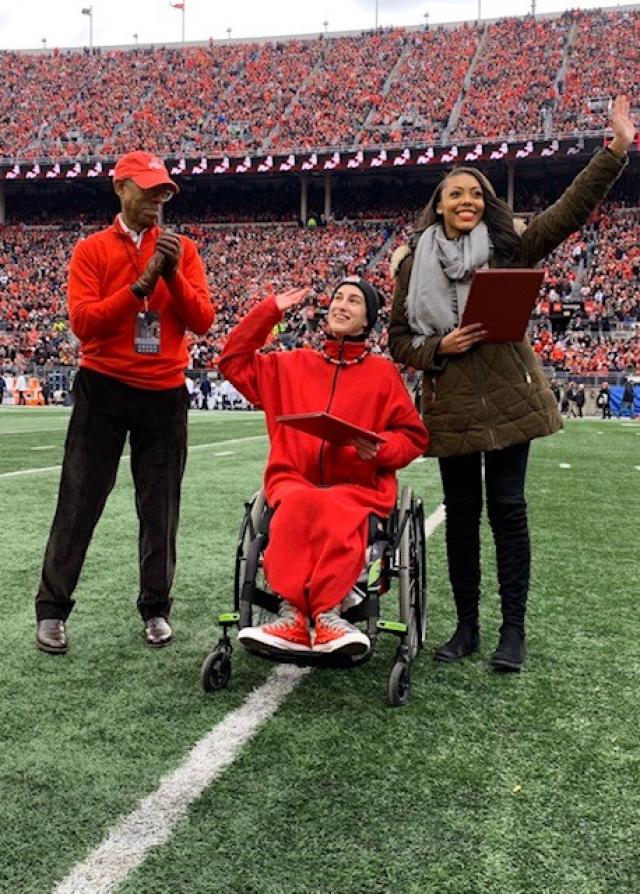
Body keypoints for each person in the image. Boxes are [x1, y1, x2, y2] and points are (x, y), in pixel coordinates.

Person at [389, 94, 634, 672]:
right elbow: (398, 339)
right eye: (457, 193)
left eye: (477, 193)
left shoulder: (509, 248)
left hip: (508, 396)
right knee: (463, 516)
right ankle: (467, 627)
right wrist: (436, 348)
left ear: (486, 203)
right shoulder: (410, 267)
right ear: (439, 206)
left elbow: (570, 210)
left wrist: (616, 150)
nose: (468, 200)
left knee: (508, 510)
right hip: (449, 401)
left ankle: (513, 631)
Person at [35, 150, 215, 654]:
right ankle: (52, 609)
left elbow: (202, 320)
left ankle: (155, 608)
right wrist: (136, 287)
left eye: (164, 192)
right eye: (149, 190)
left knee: (159, 509)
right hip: (104, 387)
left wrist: (171, 273)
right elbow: (84, 323)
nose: (157, 200)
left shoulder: (184, 249)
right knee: (79, 501)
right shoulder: (91, 250)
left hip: (163, 392)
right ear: (121, 188)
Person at [219, 277, 428, 657]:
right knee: (299, 503)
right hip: (294, 478)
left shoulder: (383, 375)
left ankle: (320, 612)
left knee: (333, 507)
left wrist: (378, 449)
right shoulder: (290, 365)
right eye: (337, 298)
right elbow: (232, 361)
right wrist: (268, 313)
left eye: (353, 301)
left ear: (367, 321)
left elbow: (413, 437)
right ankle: (301, 614)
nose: (341, 305)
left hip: (358, 484)